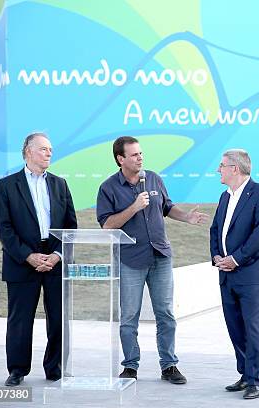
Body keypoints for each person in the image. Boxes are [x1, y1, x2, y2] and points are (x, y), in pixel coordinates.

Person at [96, 136, 208, 383]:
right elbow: (107, 225)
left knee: (166, 313)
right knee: (129, 317)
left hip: (160, 256)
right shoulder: (108, 188)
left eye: (141, 153)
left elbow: (167, 207)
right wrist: (134, 207)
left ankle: (169, 365)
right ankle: (130, 366)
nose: (140, 158)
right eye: (134, 155)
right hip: (130, 259)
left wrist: (186, 217)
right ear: (120, 159)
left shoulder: (154, 178)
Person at [0, 132, 78, 386]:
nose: (49, 153)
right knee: (20, 319)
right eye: (44, 149)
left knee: (57, 318)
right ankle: (17, 370)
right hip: (21, 260)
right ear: (28, 152)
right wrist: (28, 256)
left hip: (54, 259)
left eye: (50, 149)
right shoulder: (7, 185)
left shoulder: (60, 184)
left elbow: (70, 225)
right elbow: (4, 229)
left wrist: (57, 255)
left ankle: (54, 368)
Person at [209, 149, 259, 399]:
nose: (218, 170)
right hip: (227, 274)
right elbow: (215, 229)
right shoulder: (224, 196)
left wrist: (236, 259)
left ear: (235, 169)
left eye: (222, 165)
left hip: (252, 274)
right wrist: (217, 257)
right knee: (235, 327)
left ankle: (256, 380)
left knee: (254, 329)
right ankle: (245, 374)